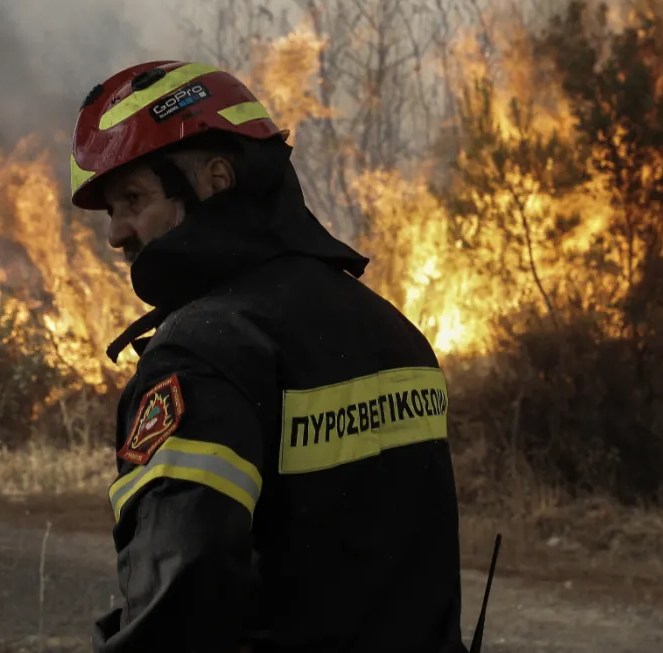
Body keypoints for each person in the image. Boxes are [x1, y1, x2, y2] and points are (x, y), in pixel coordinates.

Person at [71, 60, 467, 653]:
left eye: (133, 198)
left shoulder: (203, 351)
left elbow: (182, 595)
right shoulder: (394, 331)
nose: (118, 234)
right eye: (111, 211)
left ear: (216, 179)